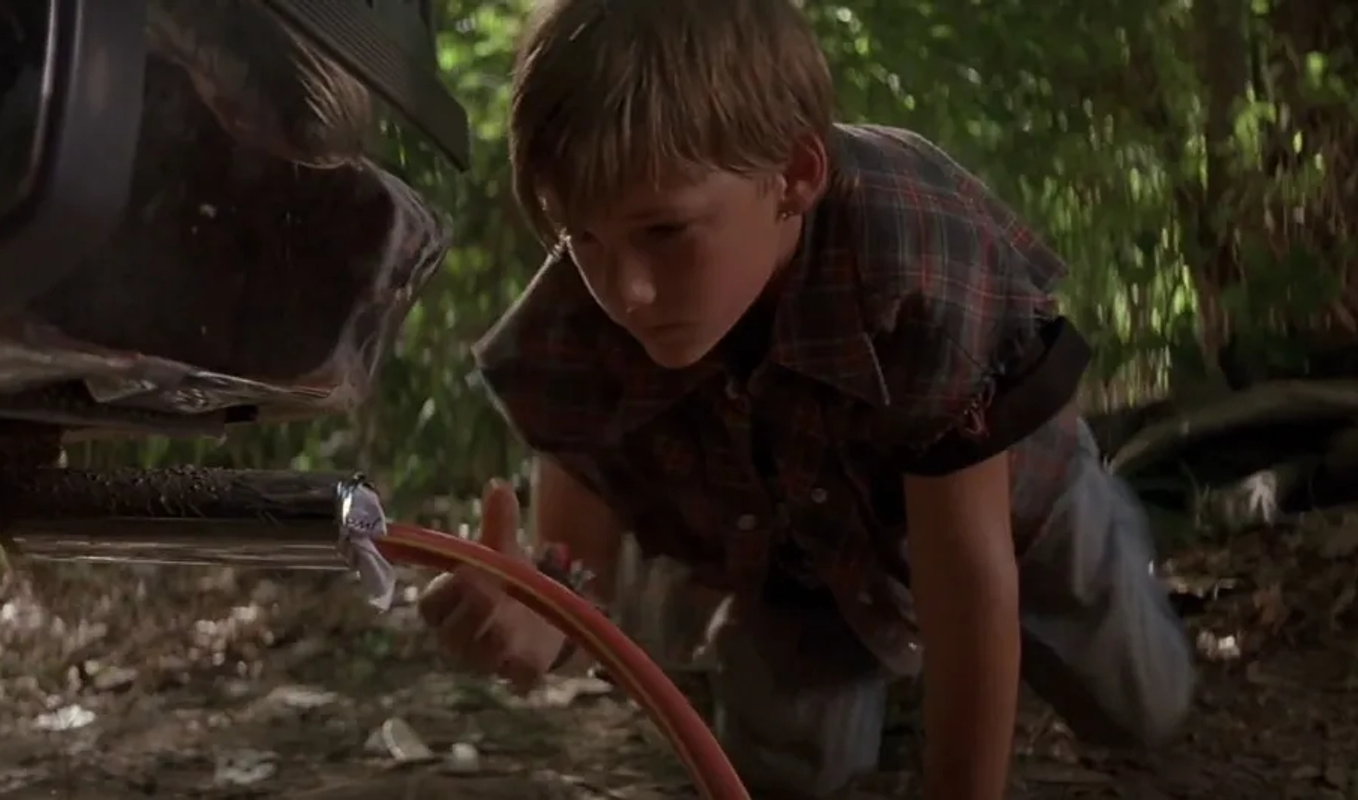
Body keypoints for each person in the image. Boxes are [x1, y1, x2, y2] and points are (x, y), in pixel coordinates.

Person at [413, 0, 1197, 797]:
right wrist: (538, 621)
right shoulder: (576, 325)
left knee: (1144, 706)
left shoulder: (913, 260)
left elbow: (966, 577)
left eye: (666, 232)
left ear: (794, 175)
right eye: (580, 238)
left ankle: (1100, 547)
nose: (627, 292)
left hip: (1019, 518)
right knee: (785, 775)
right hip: (793, 567)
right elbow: (577, 578)